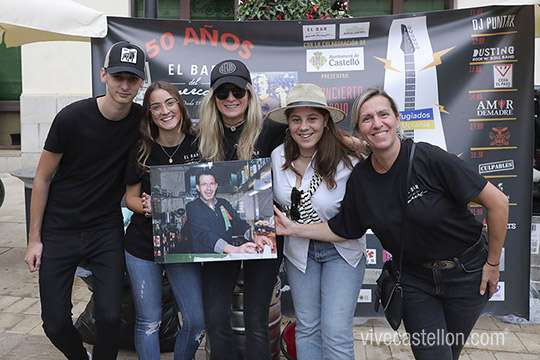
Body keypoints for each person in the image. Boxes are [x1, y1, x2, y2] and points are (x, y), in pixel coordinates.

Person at [274, 87, 509, 360]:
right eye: (366, 119)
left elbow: (498, 203)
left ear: (397, 118)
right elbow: (345, 228)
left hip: (465, 274)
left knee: (448, 353)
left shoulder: (429, 158)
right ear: (359, 130)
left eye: (383, 114)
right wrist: (292, 228)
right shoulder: (360, 177)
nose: (377, 123)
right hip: (414, 279)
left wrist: (492, 264)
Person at [24, 41, 147, 360]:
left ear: (140, 83)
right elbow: (42, 177)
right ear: (103, 74)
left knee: (109, 316)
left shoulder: (142, 121)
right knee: (53, 324)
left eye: (132, 79)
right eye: (118, 76)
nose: (124, 85)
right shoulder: (71, 118)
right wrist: (34, 239)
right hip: (60, 229)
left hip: (104, 228)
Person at [268, 83, 367, 360]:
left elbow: (388, 147)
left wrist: (351, 141)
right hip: (300, 253)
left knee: (335, 332)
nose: (304, 127)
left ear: (326, 120)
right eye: (296, 119)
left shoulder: (349, 158)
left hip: (341, 252)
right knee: (307, 328)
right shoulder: (277, 157)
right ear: (288, 124)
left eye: (312, 118)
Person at [196, 59, 286, 359]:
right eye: (223, 93)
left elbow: (312, 140)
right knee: (216, 317)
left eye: (238, 91)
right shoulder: (202, 136)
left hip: (264, 234)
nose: (231, 98)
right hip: (220, 237)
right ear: (214, 98)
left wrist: (358, 145)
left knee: (256, 321)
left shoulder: (271, 129)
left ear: (249, 94)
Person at [123, 80, 205, 360]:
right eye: (156, 106)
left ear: (180, 106)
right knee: (149, 322)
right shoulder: (141, 150)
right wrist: (147, 208)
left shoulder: (201, 144)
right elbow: (130, 198)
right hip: (142, 244)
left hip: (184, 245)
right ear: (149, 114)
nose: (165, 111)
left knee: (196, 321)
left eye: (170, 103)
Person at [184, 171, 271, 254]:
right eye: (204, 184)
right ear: (198, 187)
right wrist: (233, 249)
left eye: (211, 183)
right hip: (205, 259)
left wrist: (255, 236)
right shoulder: (193, 207)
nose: (208, 188)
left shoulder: (224, 204)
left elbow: (238, 223)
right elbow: (203, 234)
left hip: (226, 258)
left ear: (216, 186)